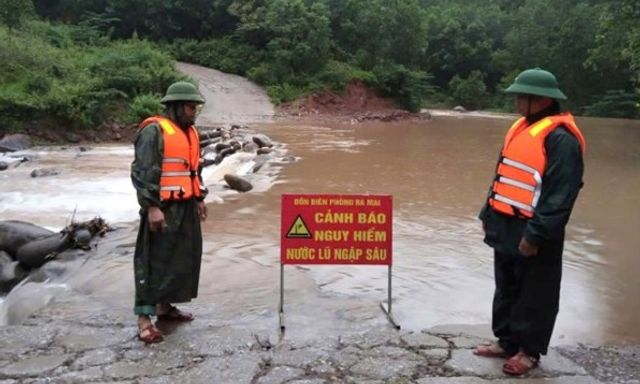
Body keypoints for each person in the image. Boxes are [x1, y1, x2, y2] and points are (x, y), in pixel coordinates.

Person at [475, 68, 586, 375]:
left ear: (540, 101)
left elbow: (560, 195)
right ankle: (507, 341)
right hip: (505, 223)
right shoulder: (520, 128)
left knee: (535, 292)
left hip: (535, 229)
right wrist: (488, 212)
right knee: (506, 286)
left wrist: (535, 235)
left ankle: (528, 351)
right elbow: (503, 174)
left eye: (521, 97)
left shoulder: (562, 140)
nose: (516, 102)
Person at [130, 81, 208, 343]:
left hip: (185, 206)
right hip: (162, 207)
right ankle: (144, 320)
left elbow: (193, 170)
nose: (194, 111)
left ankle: (165, 307)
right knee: (153, 261)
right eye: (189, 106)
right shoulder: (154, 131)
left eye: (196, 107)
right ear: (174, 107)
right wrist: (152, 206)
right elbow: (143, 172)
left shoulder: (190, 132)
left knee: (182, 258)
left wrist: (199, 198)